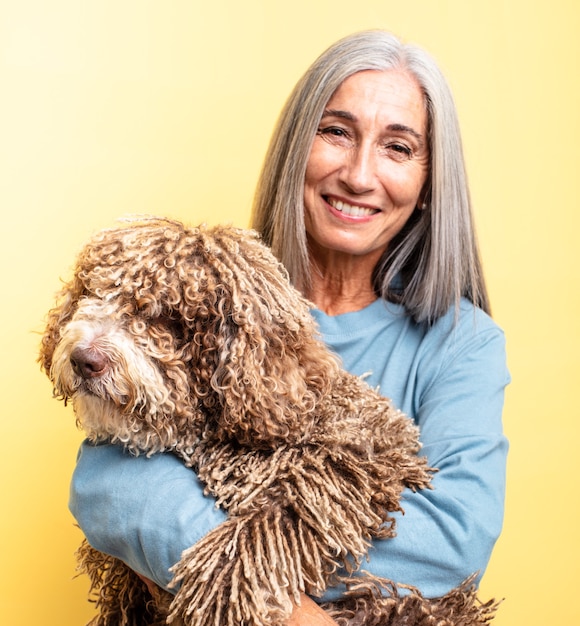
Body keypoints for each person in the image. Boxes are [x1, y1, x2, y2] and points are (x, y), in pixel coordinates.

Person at [69, 30, 509, 624]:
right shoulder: (211, 297)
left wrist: (234, 570)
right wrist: (290, 612)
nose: (358, 174)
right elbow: (111, 485)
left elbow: (452, 541)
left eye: (398, 148)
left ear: (431, 184)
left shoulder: (462, 343)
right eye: (336, 132)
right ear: (296, 147)